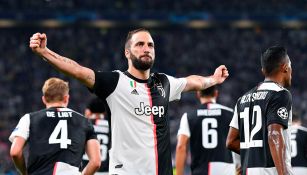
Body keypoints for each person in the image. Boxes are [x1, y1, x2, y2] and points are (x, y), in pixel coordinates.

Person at [29, 28, 229, 175]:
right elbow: (78, 70)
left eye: (150, 45)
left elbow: (192, 82)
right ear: (127, 52)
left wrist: (213, 79)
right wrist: (45, 53)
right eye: (140, 44)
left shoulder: (164, 82)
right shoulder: (115, 82)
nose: (146, 49)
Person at [9, 78, 101, 175]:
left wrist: (24, 172)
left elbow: (15, 152)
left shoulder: (29, 118)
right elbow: (95, 162)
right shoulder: (85, 121)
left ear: (44, 99)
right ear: (66, 98)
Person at [226, 46, 293, 175]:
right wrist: (283, 173)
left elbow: (231, 141)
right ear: (285, 67)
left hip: (248, 171)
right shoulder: (280, 94)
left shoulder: (242, 99)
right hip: (270, 171)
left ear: (263, 70)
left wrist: (254, 152)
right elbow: (274, 134)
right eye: (290, 66)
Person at [176, 86, 236, 175]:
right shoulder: (230, 113)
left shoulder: (189, 116)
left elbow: (181, 146)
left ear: (198, 94)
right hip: (225, 170)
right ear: (216, 93)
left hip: (200, 170)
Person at [82, 97, 110, 175]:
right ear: (104, 112)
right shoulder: (111, 126)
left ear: (89, 110)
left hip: (86, 170)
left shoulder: (83, 125)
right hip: (106, 171)